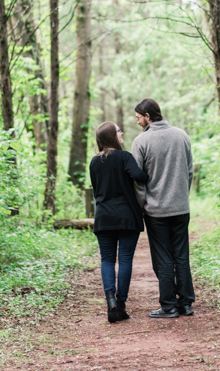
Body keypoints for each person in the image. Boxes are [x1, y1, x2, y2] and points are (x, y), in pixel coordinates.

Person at [131, 98, 196, 319]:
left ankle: (168, 306)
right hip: (180, 208)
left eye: (139, 116)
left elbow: (138, 181)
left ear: (148, 116)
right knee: (181, 255)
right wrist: (181, 197)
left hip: (156, 211)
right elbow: (189, 172)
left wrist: (142, 205)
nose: (137, 120)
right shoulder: (181, 135)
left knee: (163, 258)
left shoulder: (141, 141)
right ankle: (185, 304)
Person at [89, 121, 149, 323]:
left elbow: (96, 190)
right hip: (126, 217)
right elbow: (140, 176)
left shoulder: (94, 162)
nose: (121, 133)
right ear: (111, 136)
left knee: (107, 259)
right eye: (118, 131)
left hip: (104, 217)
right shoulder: (125, 157)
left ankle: (111, 302)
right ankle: (121, 304)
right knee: (124, 260)